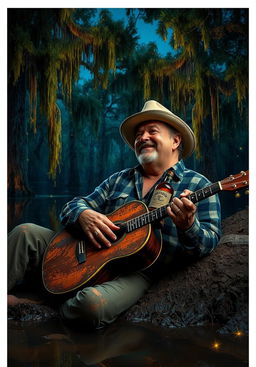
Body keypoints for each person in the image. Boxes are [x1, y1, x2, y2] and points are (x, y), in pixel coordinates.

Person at [8, 100, 221, 329]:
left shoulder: (199, 185)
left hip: (138, 271)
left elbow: (209, 241)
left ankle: (41, 306)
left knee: (91, 306)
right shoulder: (119, 179)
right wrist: (84, 215)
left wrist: (188, 225)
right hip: (92, 251)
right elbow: (73, 205)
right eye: (139, 134)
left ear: (175, 141)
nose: (143, 137)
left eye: (152, 131)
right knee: (26, 232)